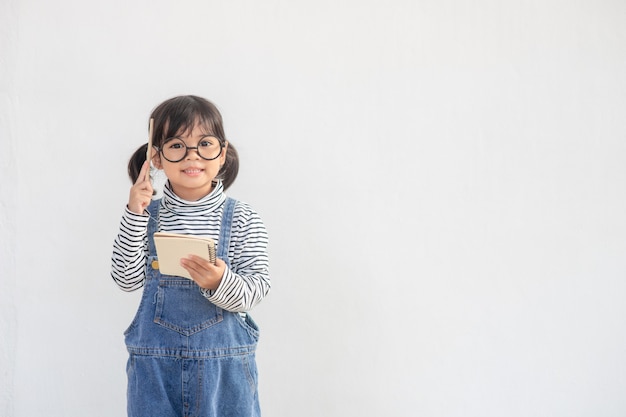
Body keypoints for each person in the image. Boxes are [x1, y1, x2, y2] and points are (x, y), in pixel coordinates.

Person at [111, 95, 270, 417]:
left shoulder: (242, 218)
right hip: (155, 373)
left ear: (222, 153)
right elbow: (125, 280)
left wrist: (219, 281)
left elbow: (257, 290)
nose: (192, 156)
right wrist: (134, 213)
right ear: (156, 157)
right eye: (176, 146)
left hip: (225, 374)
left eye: (205, 144)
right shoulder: (146, 216)